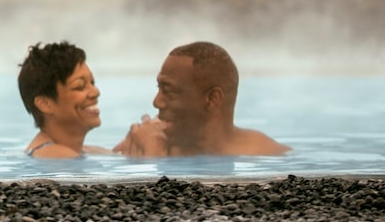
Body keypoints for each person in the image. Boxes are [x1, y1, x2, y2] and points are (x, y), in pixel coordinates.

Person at [117, 40, 289, 157]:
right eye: (159, 88)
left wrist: (152, 158)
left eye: (169, 91)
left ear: (213, 99)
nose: (156, 102)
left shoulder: (265, 155)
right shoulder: (148, 138)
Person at [18, 41, 114, 157]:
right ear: (45, 104)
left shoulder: (79, 151)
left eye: (92, 83)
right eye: (80, 86)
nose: (96, 92)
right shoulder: (55, 156)